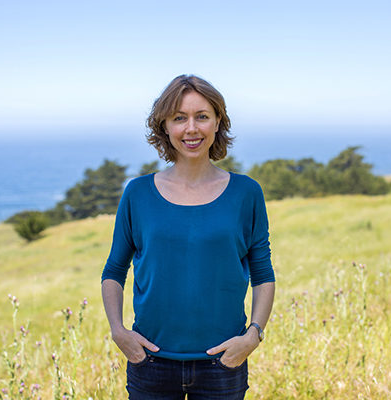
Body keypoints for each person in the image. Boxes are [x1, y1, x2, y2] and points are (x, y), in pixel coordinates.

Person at [101, 74, 276, 399]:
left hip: (223, 364)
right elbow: (113, 271)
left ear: (217, 122)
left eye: (202, 116)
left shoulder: (246, 193)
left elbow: (263, 274)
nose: (191, 128)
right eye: (179, 118)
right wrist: (118, 332)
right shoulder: (137, 194)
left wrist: (253, 336)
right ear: (165, 126)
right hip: (149, 363)